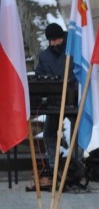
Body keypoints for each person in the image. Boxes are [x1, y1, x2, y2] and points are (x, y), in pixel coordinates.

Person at [32, 23, 68, 188]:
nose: (54, 43)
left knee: (76, 131)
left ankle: (72, 166)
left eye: (56, 39)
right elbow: (39, 74)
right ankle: (54, 167)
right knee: (48, 133)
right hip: (54, 102)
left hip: (71, 99)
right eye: (51, 40)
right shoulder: (44, 56)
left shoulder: (71, 49)